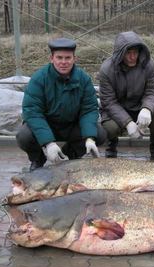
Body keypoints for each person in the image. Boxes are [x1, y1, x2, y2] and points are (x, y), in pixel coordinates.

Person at [16, 37, 106, 171]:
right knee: (24, 135)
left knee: (99, 133)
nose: (63, 62)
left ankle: (71, 156)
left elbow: (89, 109)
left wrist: (89, 138)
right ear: (51, 58)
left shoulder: (83, 79)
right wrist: (48, 143)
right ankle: (38, 159)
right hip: (47, 125)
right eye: (59, 57)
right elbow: (32, 112)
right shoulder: (39, 79)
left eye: (68, 58)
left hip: (72, 126)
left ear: (74, 59)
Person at [98, 31, 154, 163]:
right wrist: (128, 123)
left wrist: (146, 108)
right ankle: (111, 148)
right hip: (116, 110)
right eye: (128, 53)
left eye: (135, 52)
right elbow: (108, 101)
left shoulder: (149, 64)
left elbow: (152, 91)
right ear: (120, 54)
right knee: (110, 127)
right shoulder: (107, 69)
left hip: (139, 107)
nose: (132, 57)